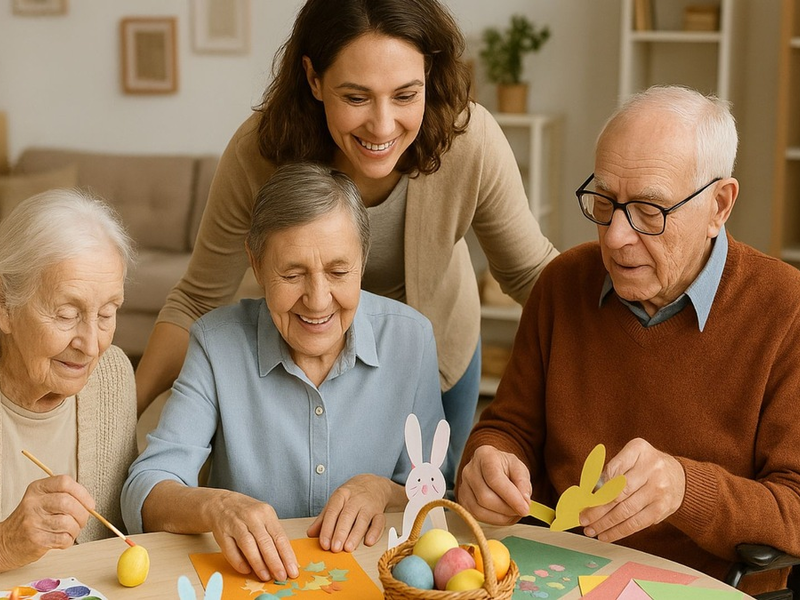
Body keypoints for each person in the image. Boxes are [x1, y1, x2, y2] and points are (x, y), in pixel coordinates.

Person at [132, 0, 559, 488]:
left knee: (419, 515)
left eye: (405, 95)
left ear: (430, 72)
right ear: (313, 78)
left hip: (435, 358)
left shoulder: (470, 139)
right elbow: (197, 298)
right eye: (356, 98)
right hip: (303, 356)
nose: (382, 126)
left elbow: (533, 276)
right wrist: (125, 417)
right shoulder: (260, 151)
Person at [456, 85, 800, 596]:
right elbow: (510, 429)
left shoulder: (785, 307)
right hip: (554, 576)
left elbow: (793, 509)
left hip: (705, 588)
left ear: (719, 205)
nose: (616, 236)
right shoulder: (562, 283)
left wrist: (686, 490)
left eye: (648, 210)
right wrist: (487, 460)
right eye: (605, 202)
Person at [121, 163, 444, 583]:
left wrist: (383, 490)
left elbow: (438, 495)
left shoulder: (412, 339)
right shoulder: (215, 343)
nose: (317, 299)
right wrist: (216, 506)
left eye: (338, 272)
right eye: (292, 275)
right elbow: (145, 488)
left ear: (363, 261)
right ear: (256, 265)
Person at [0, 189, 137, 572]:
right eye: (65, 314)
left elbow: (119, 538)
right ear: (5, 306)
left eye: (108, 313)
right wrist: (5, 545)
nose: (92, 345)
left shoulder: (111, 377)